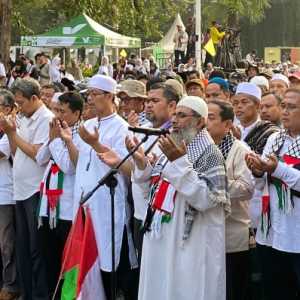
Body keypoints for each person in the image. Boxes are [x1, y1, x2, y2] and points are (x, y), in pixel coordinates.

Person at [129, 95, 230, 300]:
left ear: (200, 121)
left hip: (190, 242)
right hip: (161, 235)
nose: (174, 120)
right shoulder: (171, 148)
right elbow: (151, 189)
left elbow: (208, 200)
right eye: (174, 115)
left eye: (182, 116)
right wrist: (141, 165)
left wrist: (179, 163)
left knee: (185, 290)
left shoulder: (211, 155)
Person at [64, 74, 138, 300]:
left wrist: (95, 144)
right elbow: (79, 164)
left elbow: (126, 168)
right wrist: (69, 141)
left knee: (107, 262)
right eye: (89, 95)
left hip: (107, 205)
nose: (90, 99)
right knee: (84, 261)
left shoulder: (122, 128)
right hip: (84, 203)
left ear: (110, 96)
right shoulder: (87, 124)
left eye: (95, 95)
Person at [0, 78, 53, 300]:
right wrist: (13, 133)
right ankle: (26, 291)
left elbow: (39, 155)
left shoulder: (46, 119)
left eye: (22, 102)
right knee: (22, 247)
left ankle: (40, 294)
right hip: (19, 189)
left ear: (34, 98)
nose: (18, 107)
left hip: (36, 190)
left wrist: (12, 133)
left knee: (36, 247)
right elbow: (15, 152)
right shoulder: (23, 116)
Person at [245, 88, 300, 300]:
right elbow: (261, 186)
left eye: (292, 107)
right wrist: (257, 171)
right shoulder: (276, 139)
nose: (285, 112)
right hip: (272, 232)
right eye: (283, 106)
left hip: (296, 233)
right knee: (275, 291)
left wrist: (275, 169)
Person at [35, 91, 83, 299]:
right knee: (48, 259)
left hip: (66, 210)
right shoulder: (56, 131)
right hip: (47, 208)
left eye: (62, 111)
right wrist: (51, 139)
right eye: (56, 110)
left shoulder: (81, 135)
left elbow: (69, 167)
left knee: (66, 262)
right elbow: (40, 158)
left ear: (77, 113)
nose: (57, 115)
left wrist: (57, 141)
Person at [207, 100, 254, 300]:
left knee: (232, 290)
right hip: (207, 235)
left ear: (227, 125)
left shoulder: (240, 149)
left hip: (232, 238)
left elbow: (247, 188)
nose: (205, 123)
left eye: (211, 118)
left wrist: (215, 182)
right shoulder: (202, 148)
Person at [0, 90, 19, 300]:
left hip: (6, 194)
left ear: (7, 109)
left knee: (7, 244)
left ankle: (11, 285)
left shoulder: (11, 129)